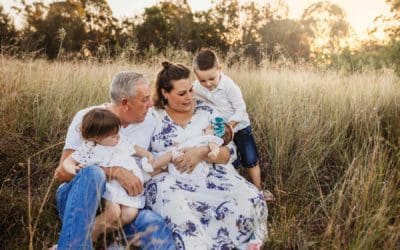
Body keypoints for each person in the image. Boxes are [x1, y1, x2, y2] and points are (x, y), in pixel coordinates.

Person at [145, 61, 268, 249]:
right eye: (181, 93)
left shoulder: (208, 111)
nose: (189, 97)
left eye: (191, 91)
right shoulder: (152, 117)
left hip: (215, 176)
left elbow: (230, 153)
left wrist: (202, 152)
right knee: (178, 209)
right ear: (164, 93)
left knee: (251, 199)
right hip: (171, 180)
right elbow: (141, 156)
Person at [53, 71, 176, 249]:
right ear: (125, 103)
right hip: (82, 200)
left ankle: (79, 240)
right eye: (144, 100)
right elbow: (62, 174)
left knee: (154, 225)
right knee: (93, 173)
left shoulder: (149, 121)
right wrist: (114, 172)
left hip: (124, 205)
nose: (150, 104)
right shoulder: (90, 118)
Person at [192, 48, 274, 201]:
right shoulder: (196, 87)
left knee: (250, 158)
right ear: (196, 76)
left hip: (239, 127)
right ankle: (235, 190)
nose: (208, 84)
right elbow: (190, 98)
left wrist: (230, 126)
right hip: (219, 130)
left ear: (219, 69)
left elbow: (240, 109)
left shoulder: (229, 86)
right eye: (203, 80)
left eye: (211, 79)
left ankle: (258, 189)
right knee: (230, 160)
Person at [61, 108, 149, 242]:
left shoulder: (119, 141)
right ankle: (82, 240)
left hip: (123, 189)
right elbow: (67, 162)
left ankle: (92, 236)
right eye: (113, 135)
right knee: (113, 212)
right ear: (97, 137)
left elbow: (134, 148)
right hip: (107, 187)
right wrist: (76, 170)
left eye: (118, 132)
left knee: (129, 214)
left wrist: (147, 154)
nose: (118, 137)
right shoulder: (90, 147)